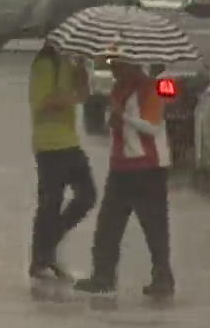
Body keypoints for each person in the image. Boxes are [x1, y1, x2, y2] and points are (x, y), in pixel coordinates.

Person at [74, 57, 176, 298]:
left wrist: (124, 118)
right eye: (112, 65)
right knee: (108, 225)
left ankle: (163, 279)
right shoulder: (118, 89)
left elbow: (153, 125)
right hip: (121, 166)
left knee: (154, 227)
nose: (114, 70)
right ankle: (103, 276)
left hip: (148, 167)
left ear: (133, 65)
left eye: (119, 66)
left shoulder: (151, 89)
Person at [28, 41, 97, 281]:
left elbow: (85, 95)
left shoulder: (71, 63)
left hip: (70, 142)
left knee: (87, 196)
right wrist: (69, 98)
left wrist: (82, 73)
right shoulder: (45, 65)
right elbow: (41, 102)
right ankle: (40, 260)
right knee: (50, 202)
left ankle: (48, 245)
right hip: (48, 144)